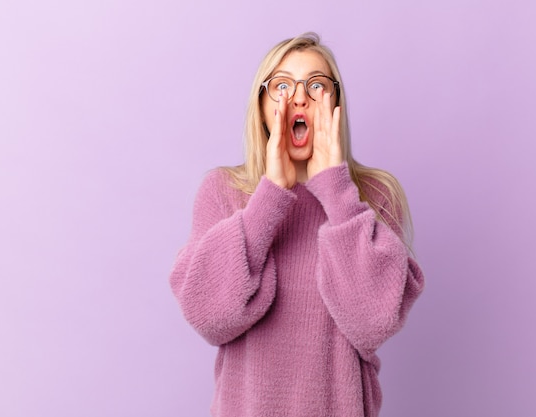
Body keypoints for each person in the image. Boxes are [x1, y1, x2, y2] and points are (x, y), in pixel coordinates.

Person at [169, 32, 425, 417]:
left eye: (317, 85)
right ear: (261, 107)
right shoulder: (223, 191)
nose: (299, 97)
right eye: (282, 85)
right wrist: (269, 196)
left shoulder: (374, 194)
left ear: (336, 104)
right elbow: (209, 317)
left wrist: (337, 190)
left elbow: (374, 322)